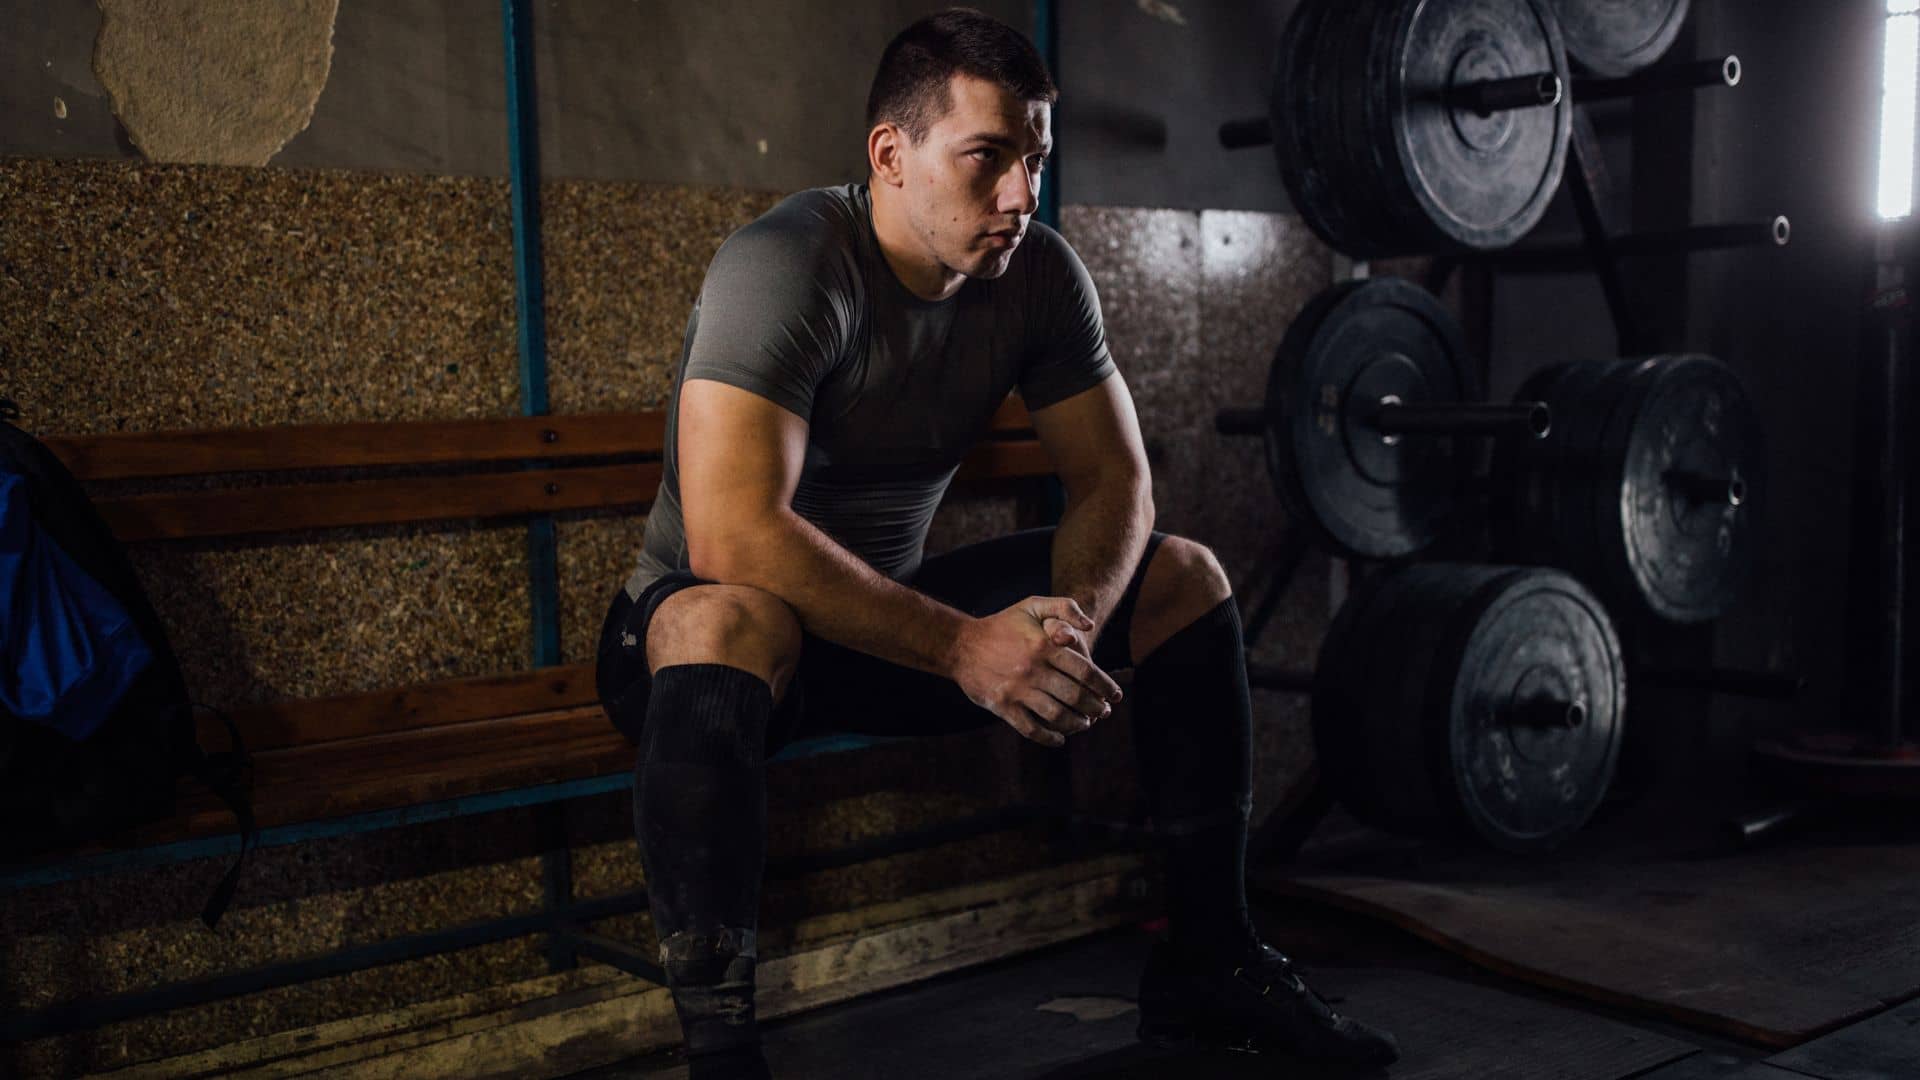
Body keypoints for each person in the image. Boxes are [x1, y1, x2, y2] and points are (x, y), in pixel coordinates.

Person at [594, 9, 1399, 1077]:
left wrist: (1066, 629)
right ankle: (722, 1055)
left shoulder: (1038, 276)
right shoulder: (788, 265)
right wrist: (970, 648)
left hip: (885, 633)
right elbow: (732, 534)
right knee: (723, 614)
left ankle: (1214, 962)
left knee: (1181, 580)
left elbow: (1115, 478)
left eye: (1034, 159)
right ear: (893, 154)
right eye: (987, 159)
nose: (1021, 194)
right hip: (709, 657)